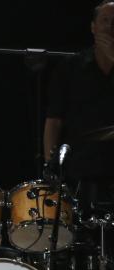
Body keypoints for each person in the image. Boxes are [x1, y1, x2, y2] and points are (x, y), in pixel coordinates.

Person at [43, 1, 114, 191]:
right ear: (93, 27)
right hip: (80, 170)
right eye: (105, 20)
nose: (110, 27)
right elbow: (54, 121)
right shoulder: (70, 67)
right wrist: (51, 166)